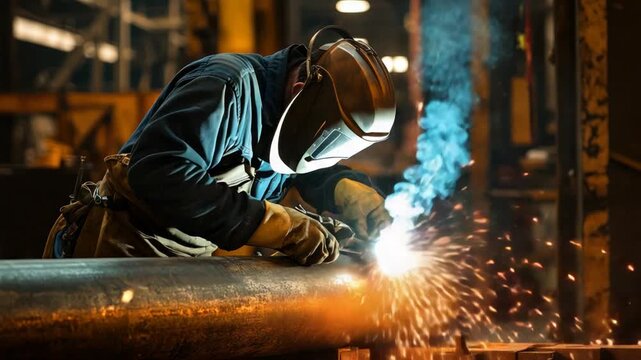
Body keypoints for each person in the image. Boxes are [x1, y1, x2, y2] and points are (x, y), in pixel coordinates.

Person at [43, 26, 396, 265]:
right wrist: (273, 223)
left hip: (181, 268)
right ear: (299, 92)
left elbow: (301, 164)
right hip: (117, 252)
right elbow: (160, 174)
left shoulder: (292, 125)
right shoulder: (226, 87)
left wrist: (344, 189)